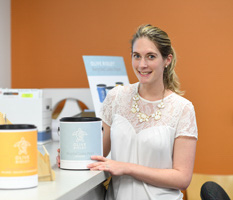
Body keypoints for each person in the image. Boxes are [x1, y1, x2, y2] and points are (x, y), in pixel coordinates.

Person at [58, 24, 198, 200]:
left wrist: (127, 167)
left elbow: (182, 178)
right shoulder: (116, 97)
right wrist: (71, 156)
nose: (142, 64)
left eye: (151, 56)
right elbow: (97, 152)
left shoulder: (182, 108)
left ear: (167, 60)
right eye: (136, 56)